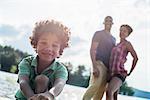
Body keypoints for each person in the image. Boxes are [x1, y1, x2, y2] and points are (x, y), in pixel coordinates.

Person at [15, 19, 71, 100]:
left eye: (54, 45)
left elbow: (59, 84)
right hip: (24, 98)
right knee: (41, 79)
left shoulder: (61, 69)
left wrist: (50, 95)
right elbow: (23, 82)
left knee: (42, 79)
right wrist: (31, 97)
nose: (48, 48)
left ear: (60, 50)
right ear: (36, 44)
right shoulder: (26, 62)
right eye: (44, 43)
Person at [82, 16, 116, 100]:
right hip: (99, 64)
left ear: (112, 23)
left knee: (100, 92)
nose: (108, 22)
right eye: (106, 21)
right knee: (95, 85)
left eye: (110, 21)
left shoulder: (113, 39)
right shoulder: (98, 34)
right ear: (104, 22)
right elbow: (93, 49)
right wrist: (94, 66)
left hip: (107, 68)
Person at [106, 24, 138, 100]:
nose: (122, 32)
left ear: (128, 34)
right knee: (114, 97)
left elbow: (135, 58)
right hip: (111, 74)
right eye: (121, 30)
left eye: (124, 31)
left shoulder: (127, 44)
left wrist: (130, 72)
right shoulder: (116, 45)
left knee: (109, 92)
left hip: (120, 73)